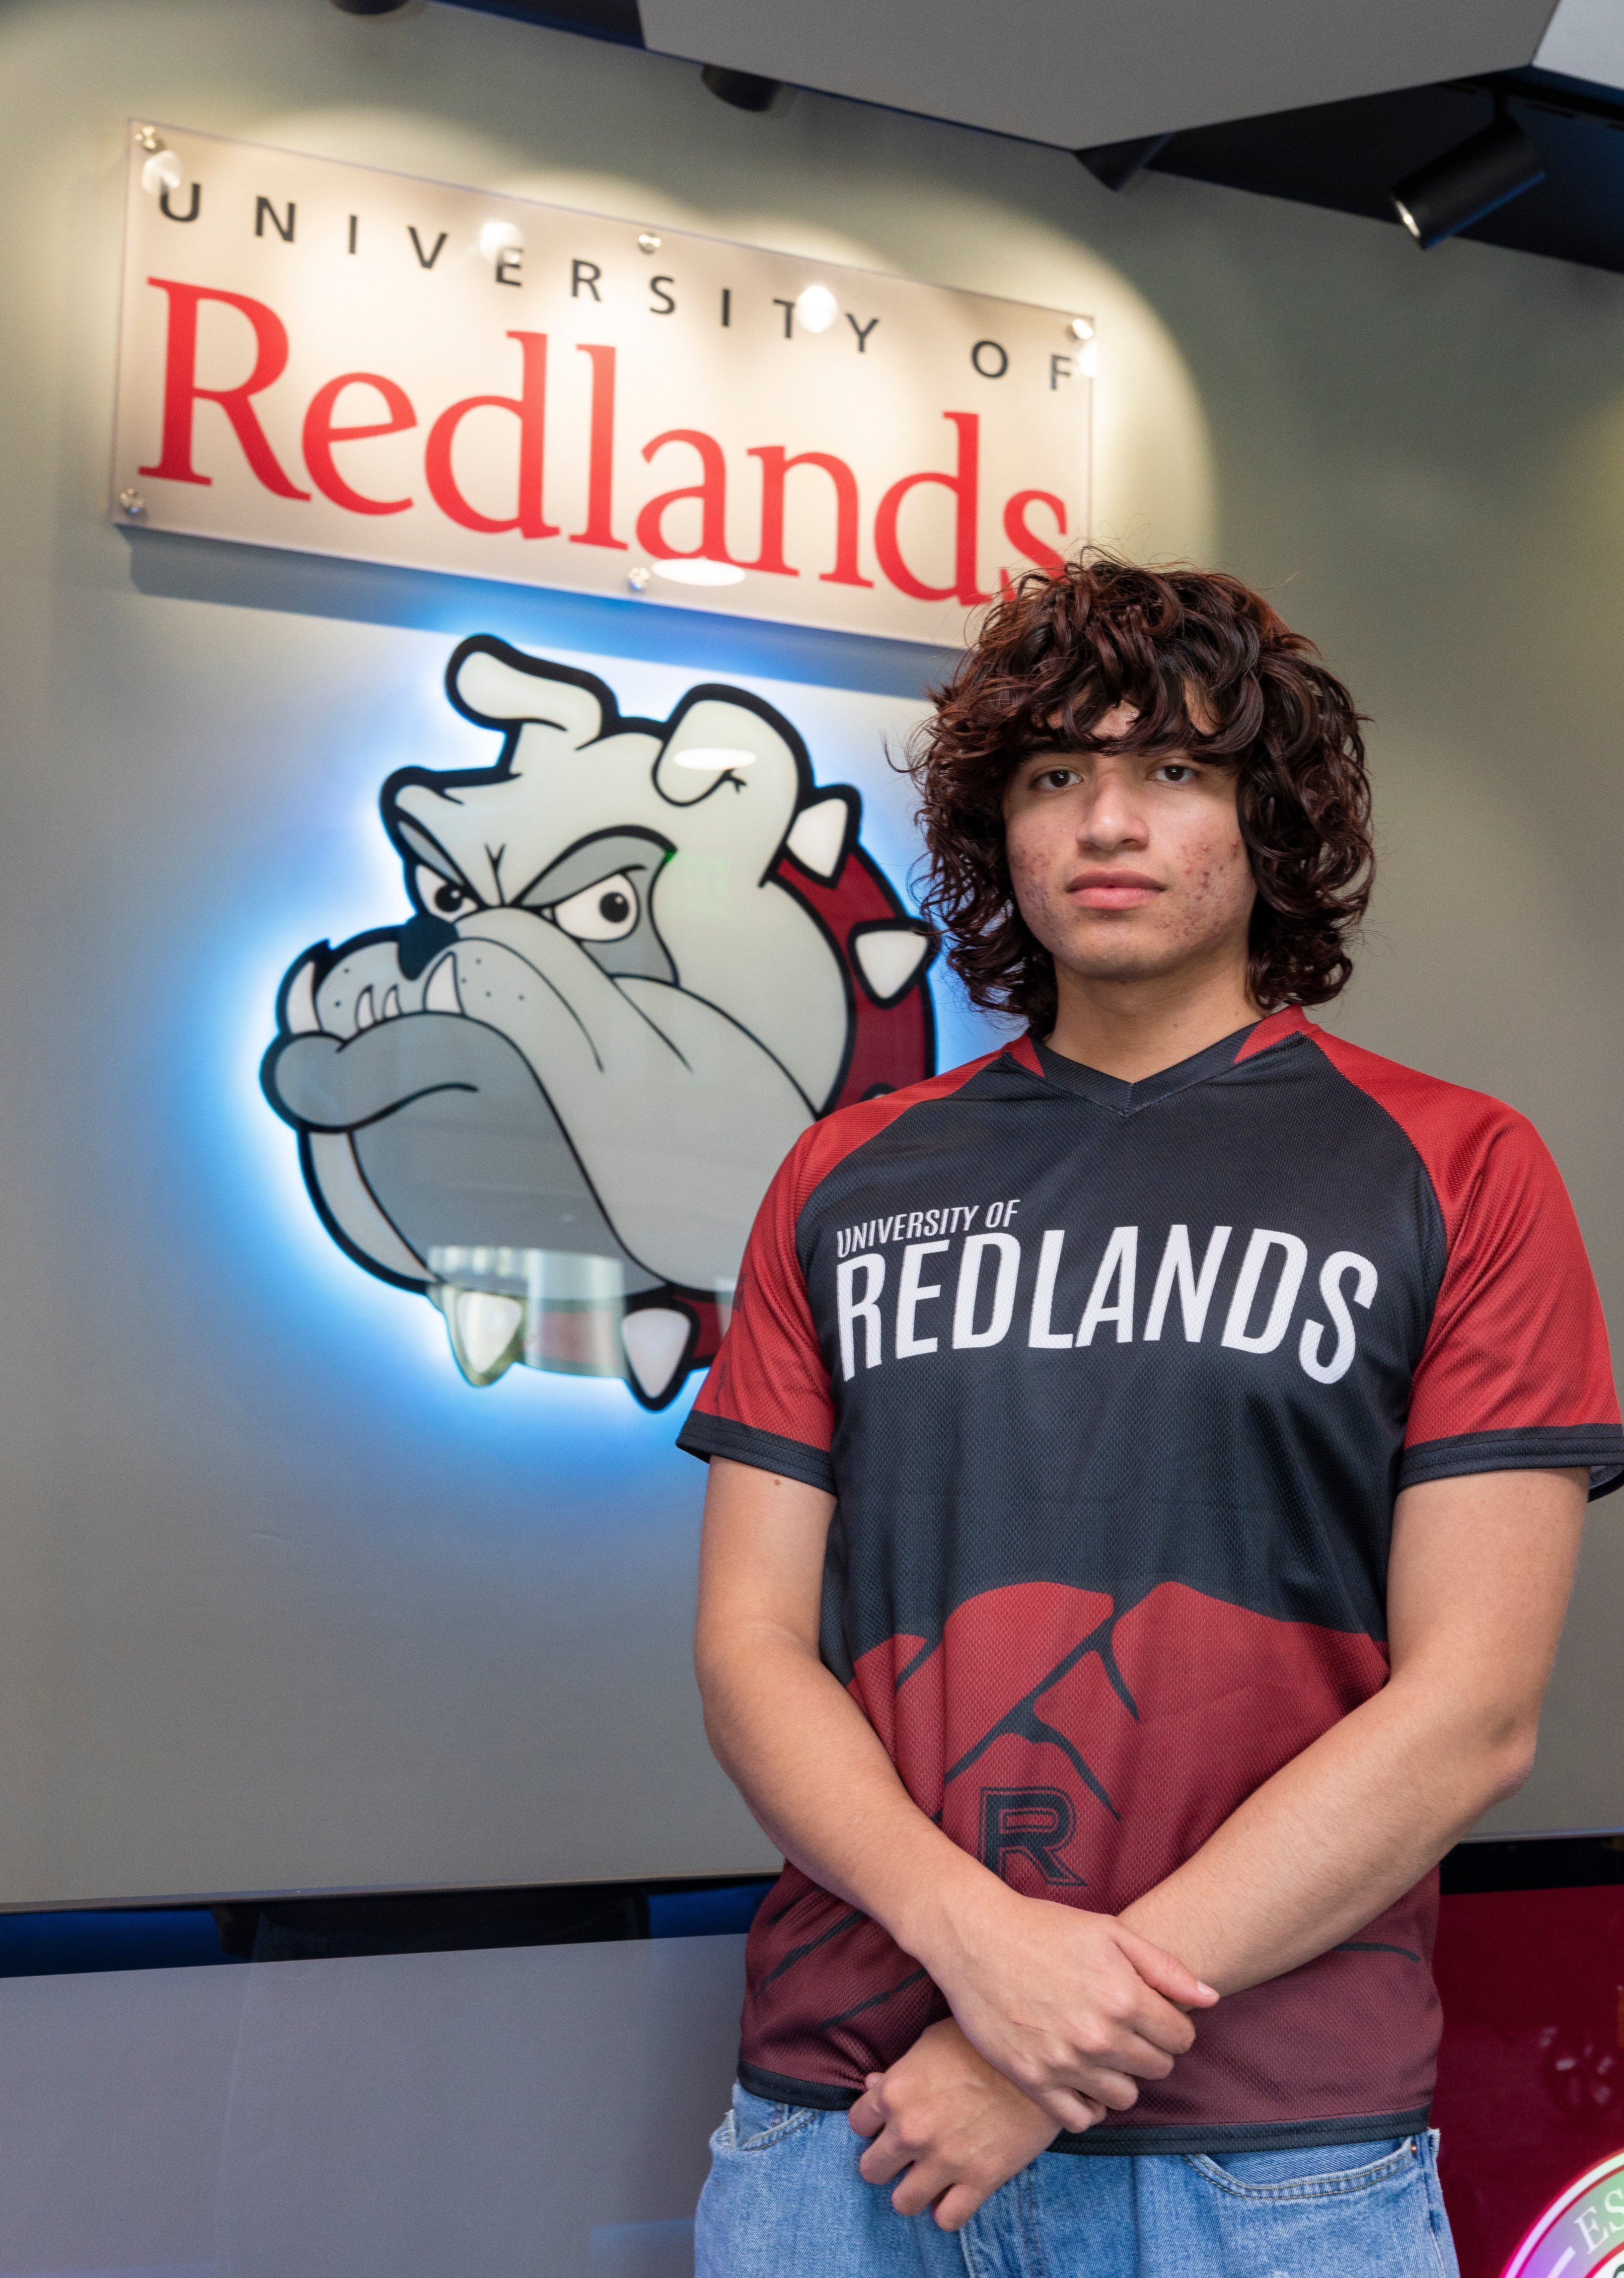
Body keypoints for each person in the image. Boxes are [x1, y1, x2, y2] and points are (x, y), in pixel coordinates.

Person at [677, 556, 1621, 2278]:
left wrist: (1044, 2052)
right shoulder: (841, 1175)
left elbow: (1474, 1708)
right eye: (1055, 777)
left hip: (1271, 2156)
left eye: (1174, 771)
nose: (1108, 822)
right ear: (1001, 836)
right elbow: (749, 1646)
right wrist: (981, 1948)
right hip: (853, 2124)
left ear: (1269, 823)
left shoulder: (1458, 1172)